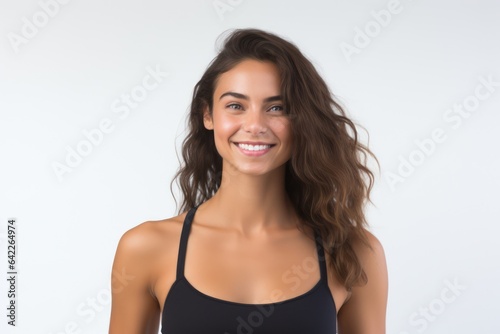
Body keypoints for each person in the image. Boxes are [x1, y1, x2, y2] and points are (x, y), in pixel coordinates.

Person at [109, 28, 388, 334]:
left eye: (277, 108)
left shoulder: (353, 252)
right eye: (235, 106)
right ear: (208, 115)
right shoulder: (146, 248)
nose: (255, 125)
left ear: (302, 120)